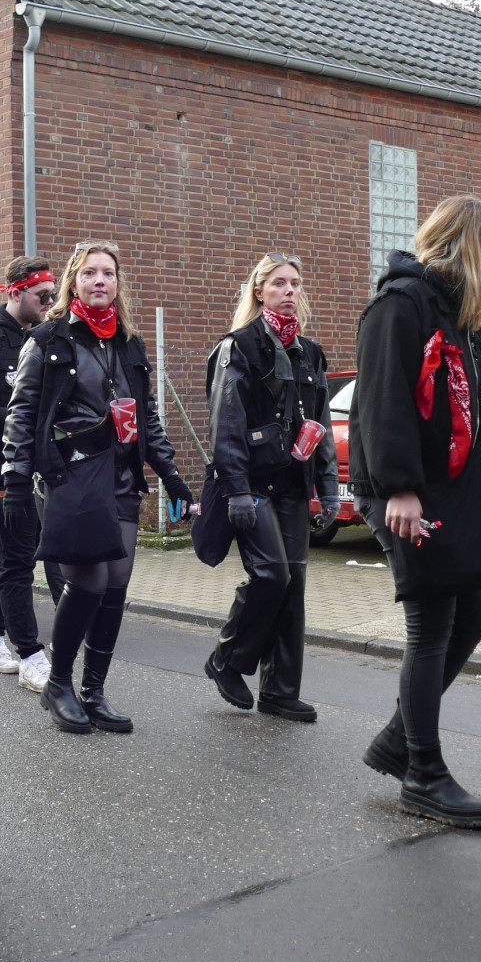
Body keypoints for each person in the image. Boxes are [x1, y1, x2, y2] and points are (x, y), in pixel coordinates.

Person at [349, 196, 481, 829]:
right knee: (432, 628)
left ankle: (397, 740)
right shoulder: (399, 305)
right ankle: (423, 775)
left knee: (475, 616)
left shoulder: (456, 316)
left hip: (454, 490)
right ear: (473, 247)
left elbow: (475, 411)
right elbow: (381, 402)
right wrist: (399, 488)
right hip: (410, 492)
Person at [2, 242, 194, 736]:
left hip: (121, 477)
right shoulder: (47, 339)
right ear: (74, 281)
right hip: (71, 476)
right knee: (88, 581)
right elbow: (21, 412)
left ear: (118, 282)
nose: (100, 281)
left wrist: (171, 475)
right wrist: (16, 478)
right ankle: (58, 684)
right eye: (89, 273)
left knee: (116, 585)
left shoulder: (129, 343)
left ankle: (94, 690)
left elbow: (147, 416)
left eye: (108, 273)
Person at [202, 253, 339, 722]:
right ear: (259, 291)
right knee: (272, 575)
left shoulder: (310, 352)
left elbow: (320, 425)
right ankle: (227, 659)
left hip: (293, 486)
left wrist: (328, 487)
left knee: (293, 585)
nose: (289, 290)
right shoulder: (239, 347)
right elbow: (226, 423)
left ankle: (280, 691)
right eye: (279, 283)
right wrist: (237, 489)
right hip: (253, 484)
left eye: (295, 283)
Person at [0, 256, 62, 679]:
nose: (50, 303)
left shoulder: (41, 337)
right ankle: (30, 655)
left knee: (15, 555)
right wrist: (21, 417)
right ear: (17, 292)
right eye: (43, 296)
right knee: (18, 559)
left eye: (54, 295)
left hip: (36, 466)